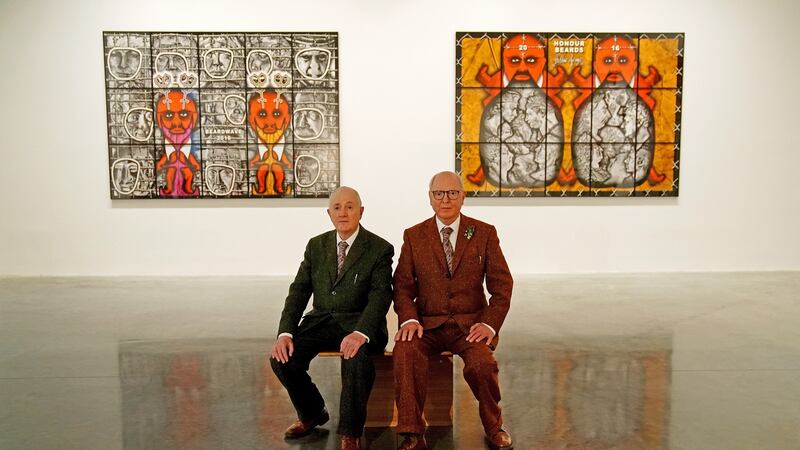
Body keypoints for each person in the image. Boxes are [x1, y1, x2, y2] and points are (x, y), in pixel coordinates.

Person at [393, 171, 514, 450]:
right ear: (430, 198)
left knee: (483, 364)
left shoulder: (484, 233)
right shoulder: (414, 236)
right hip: (427, 326)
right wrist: (409, 318)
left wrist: (489, 324)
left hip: (469, 327)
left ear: (463, 196)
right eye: (439, 193)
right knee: (405, 351)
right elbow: (402, 286)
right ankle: (412, 433)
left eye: (452, 193)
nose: (445, 199)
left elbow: (502, 286)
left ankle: (494, 427)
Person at [270, 186, 394, 450]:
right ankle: (312, 412)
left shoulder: (379, 248)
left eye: (350, 206)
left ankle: (350, 432)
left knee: (355, 357)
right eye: (337, 208)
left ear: (361, 211)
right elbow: (299, 290)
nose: (343, 212)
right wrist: (285, 333)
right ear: (329, 213)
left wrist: (361, 333)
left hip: (360, 324)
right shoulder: (316, 245)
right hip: (322, 320)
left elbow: (381, 297)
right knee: (282, 359)